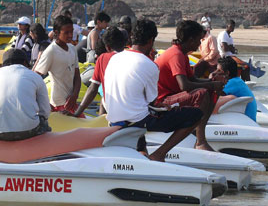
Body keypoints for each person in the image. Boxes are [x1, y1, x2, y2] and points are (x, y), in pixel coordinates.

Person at [104, 18, 202, 162]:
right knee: (196, 115)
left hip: (113, 118)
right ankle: (159, 154)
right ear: (151, 40)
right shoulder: (149, 65)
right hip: (136, 120)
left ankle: (142, 152)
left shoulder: (115, 58)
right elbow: (152, 101)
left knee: (141, 110)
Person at [155, 20, 223, 152]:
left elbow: (192, 79)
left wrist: (213, 82)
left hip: (171, 95)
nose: (199, 44)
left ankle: (199, 136)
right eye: (198, 40)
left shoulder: (182, 54)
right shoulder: (176, 54)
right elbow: (184, 85)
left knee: (212, 90)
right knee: (202, 93)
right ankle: (200, 141)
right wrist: (211, 84)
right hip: (161, 101)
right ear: (191, 40)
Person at [0, 48, 51, 141]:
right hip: (28, 130)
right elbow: (45, 112)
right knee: (44, 124)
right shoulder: (35, 77)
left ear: (3, 64)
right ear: (25, 63)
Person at [73, 26, 126, 117]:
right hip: (133, 112)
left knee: (104, 100)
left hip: (113, 111)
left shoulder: (103, 58)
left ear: (107, 47)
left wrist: (77, 113)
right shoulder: (133, 58)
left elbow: (93, 89)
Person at [34, 14, 81, 112]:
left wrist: (74, 96)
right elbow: (35, 77)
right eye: (66, 32)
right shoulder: (51, 51)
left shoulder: (72, 49)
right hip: (58, 104)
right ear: (56, 32)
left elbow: (77, 76)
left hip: (71, 103)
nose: (70, 35)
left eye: (71, 31)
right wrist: (43, 101)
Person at [214, 56, 257, 121]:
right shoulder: (237, 81)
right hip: (248, 118)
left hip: (246, 119)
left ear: (227, 73)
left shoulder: (232, 82)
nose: (215, 72)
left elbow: (214, 96)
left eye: (219, 70)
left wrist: (211, 79)